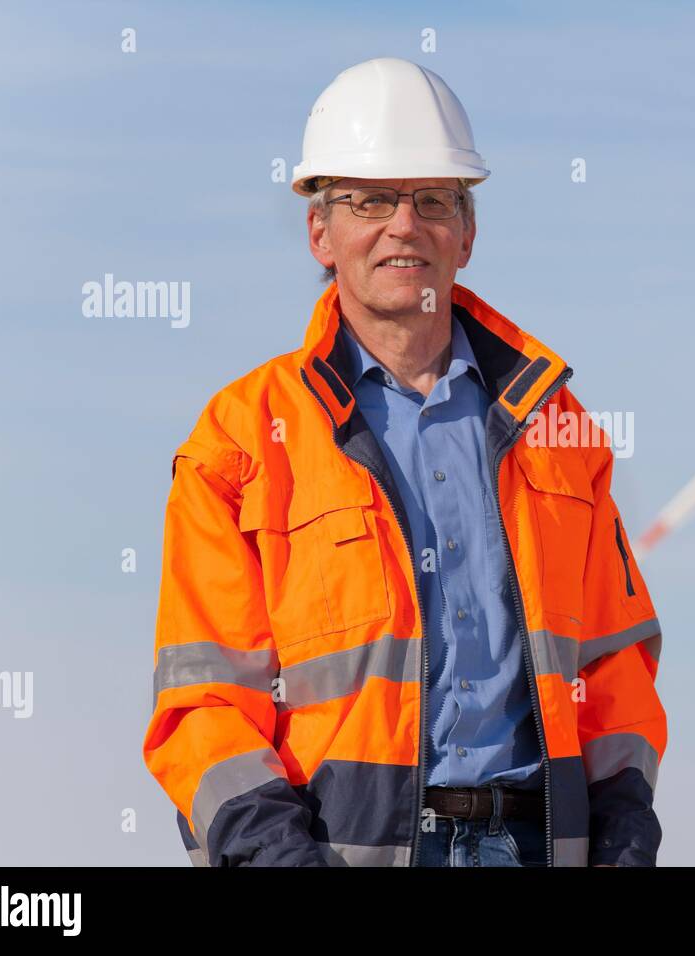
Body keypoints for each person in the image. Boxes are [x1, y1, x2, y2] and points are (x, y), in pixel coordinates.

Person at [142, 57, 666, 867]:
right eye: (370, 200)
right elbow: (204, 707)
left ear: (468, 231)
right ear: (321, 231)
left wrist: (625, 843)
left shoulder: (558, 429)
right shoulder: (241, 439)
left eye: (432, 201)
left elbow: (615, 672)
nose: (404, 226)